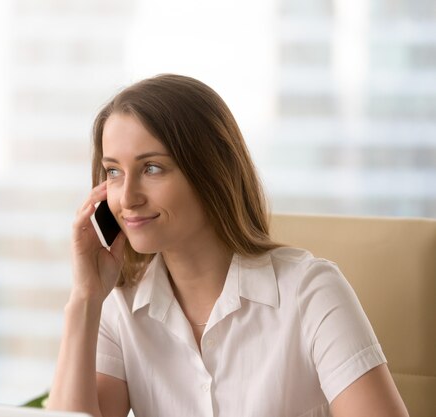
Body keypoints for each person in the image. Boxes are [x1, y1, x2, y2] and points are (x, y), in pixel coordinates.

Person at [47, 74, 408, 417]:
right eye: (113, 172)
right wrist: (85, 298)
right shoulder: (119, 307)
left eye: (152, 168)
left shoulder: (310, 291)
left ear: (210, 171)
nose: (127, 198)